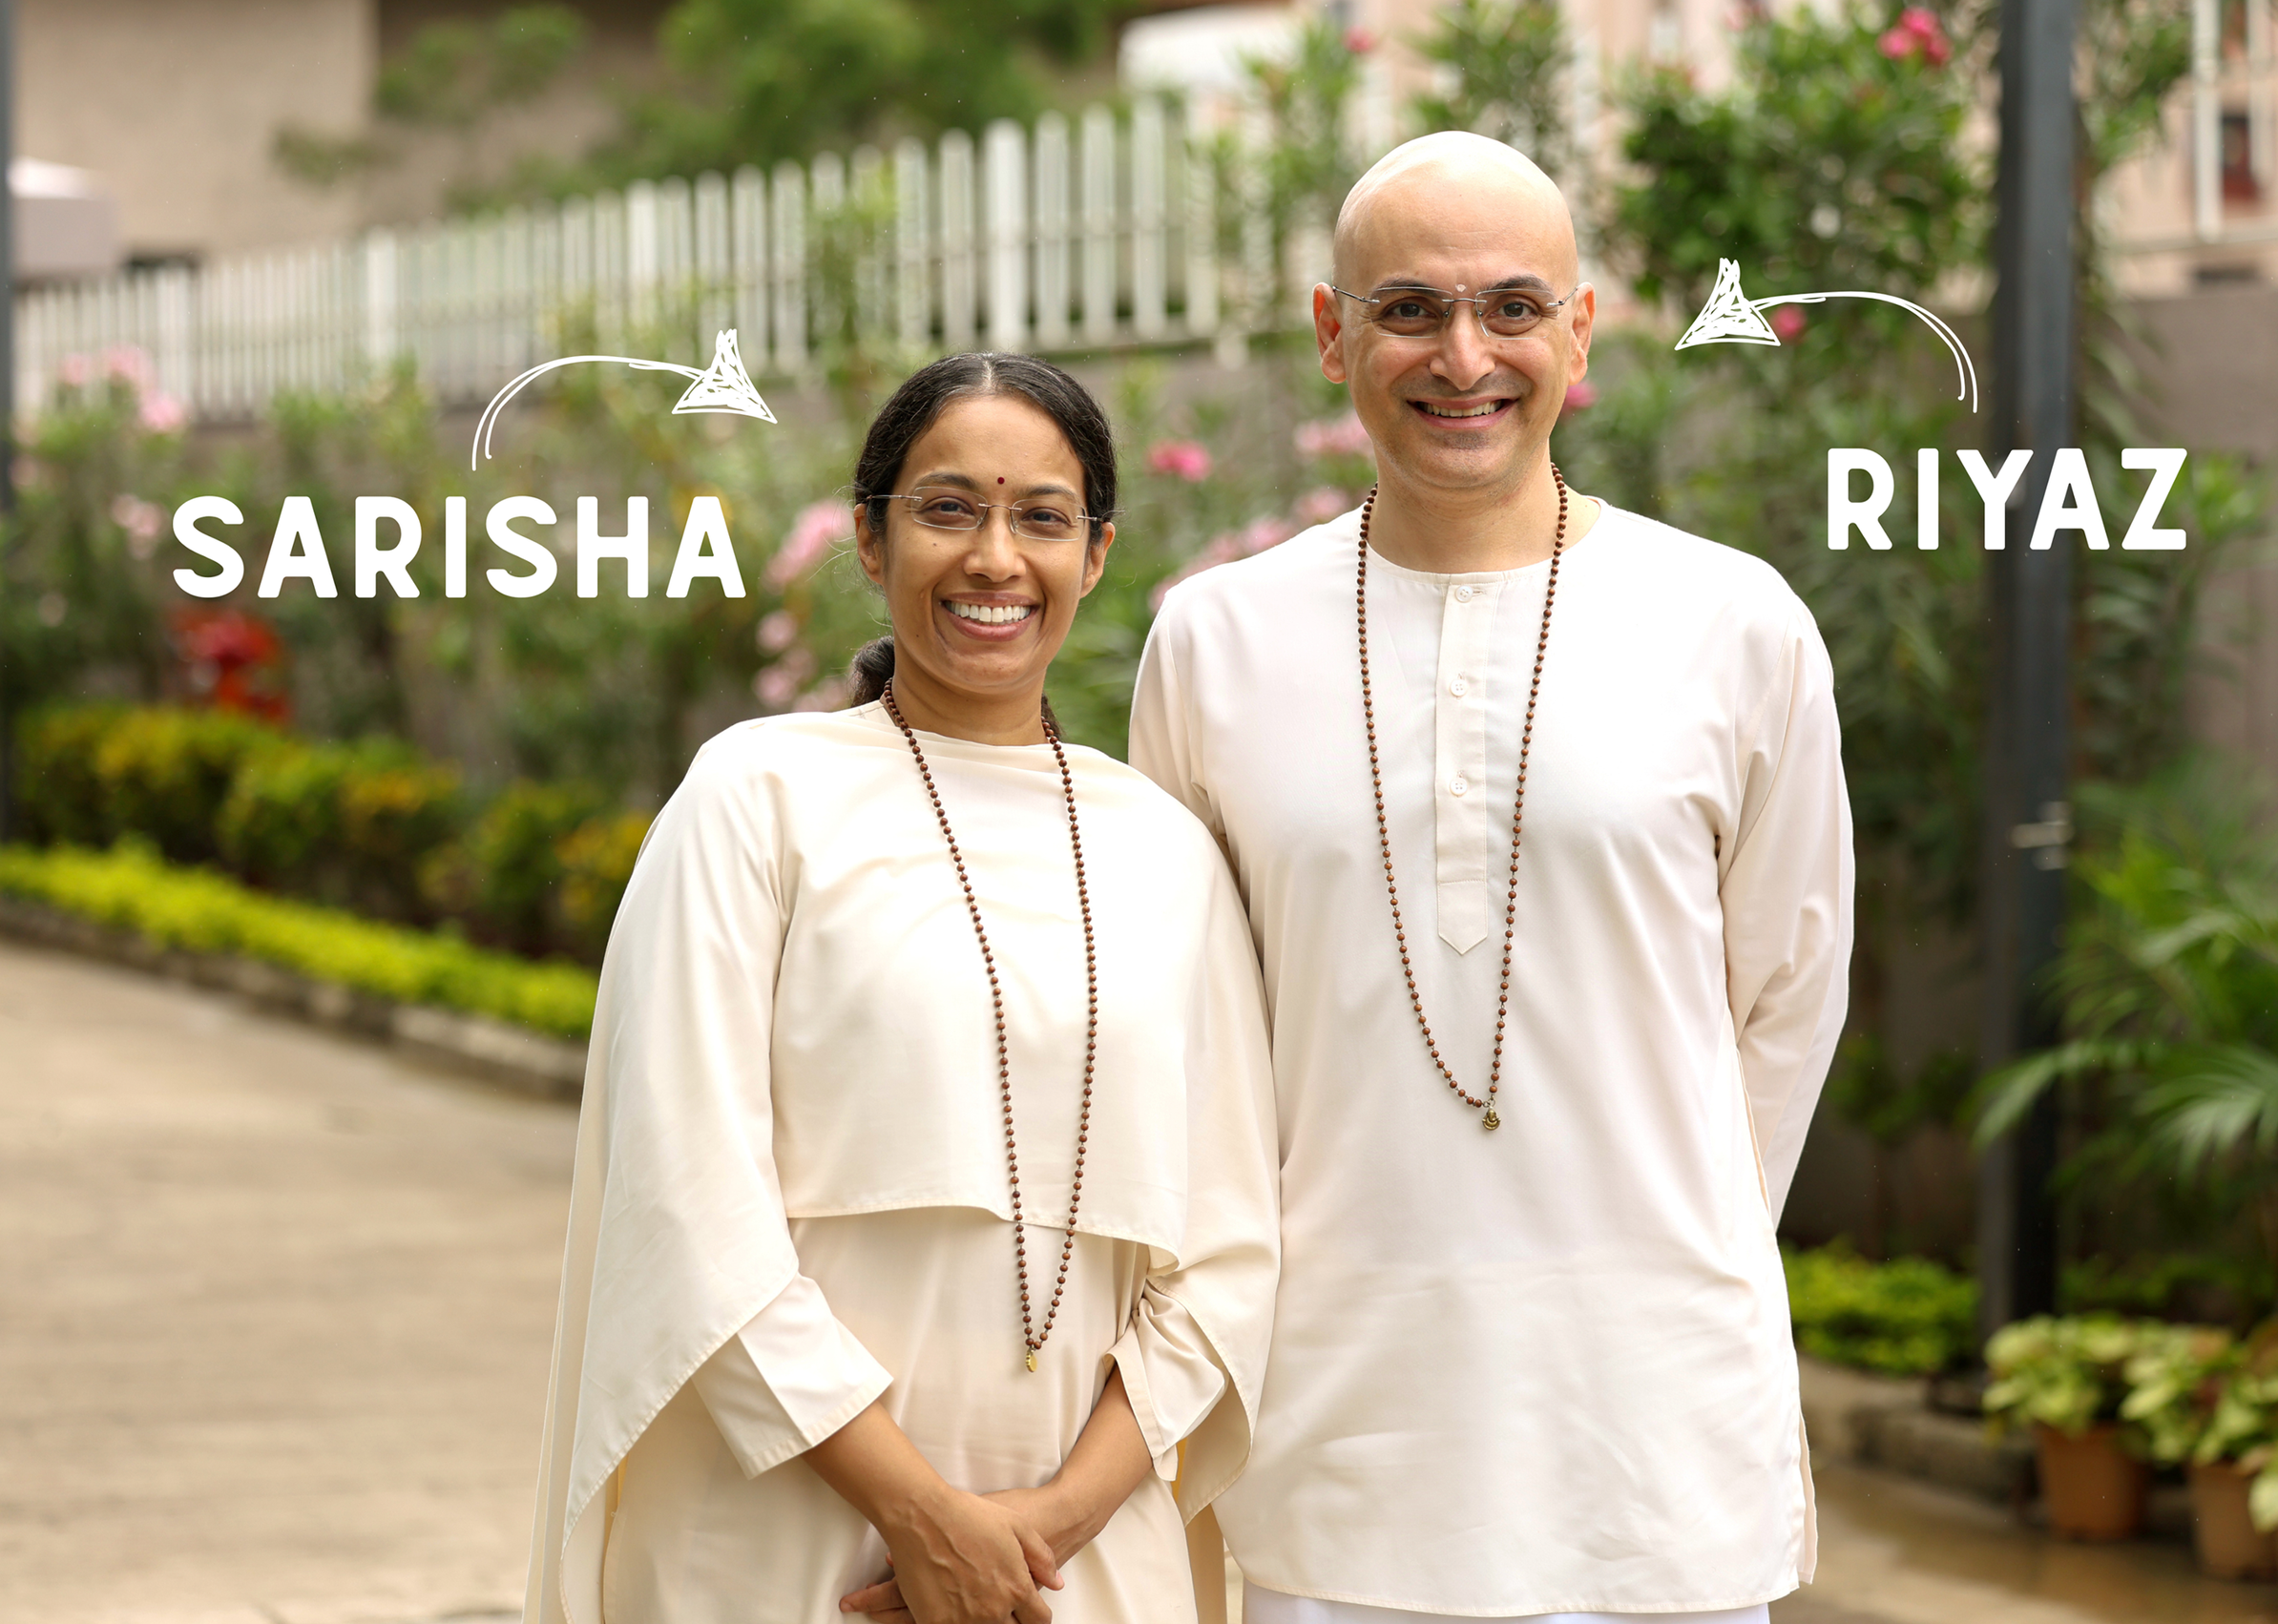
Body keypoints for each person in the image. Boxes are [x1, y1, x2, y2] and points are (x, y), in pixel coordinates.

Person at [1130, 133, 1852, 1622]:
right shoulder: (1213, 643)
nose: (1466, 355)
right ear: (1335, 333)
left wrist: (1664, 1240)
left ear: (1581, 328)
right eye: (1409, 309)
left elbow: (1788, 998)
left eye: (1514, 307)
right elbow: (1182, 1046)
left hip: (1649, 1444)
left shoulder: (1736, 624)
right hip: (1335, 1438)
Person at [526, 352, 1279, 1624]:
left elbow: (1228, 1247)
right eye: (948, 509)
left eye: (1040, 516)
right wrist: (919, 1515)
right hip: (785, 1526)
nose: (995, 557)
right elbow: (688, 1201)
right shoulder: (756, 799)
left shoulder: (1165, 848)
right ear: (870, 540)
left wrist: (1039, 1530)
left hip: (1078, 1560)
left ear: (1096, 553)